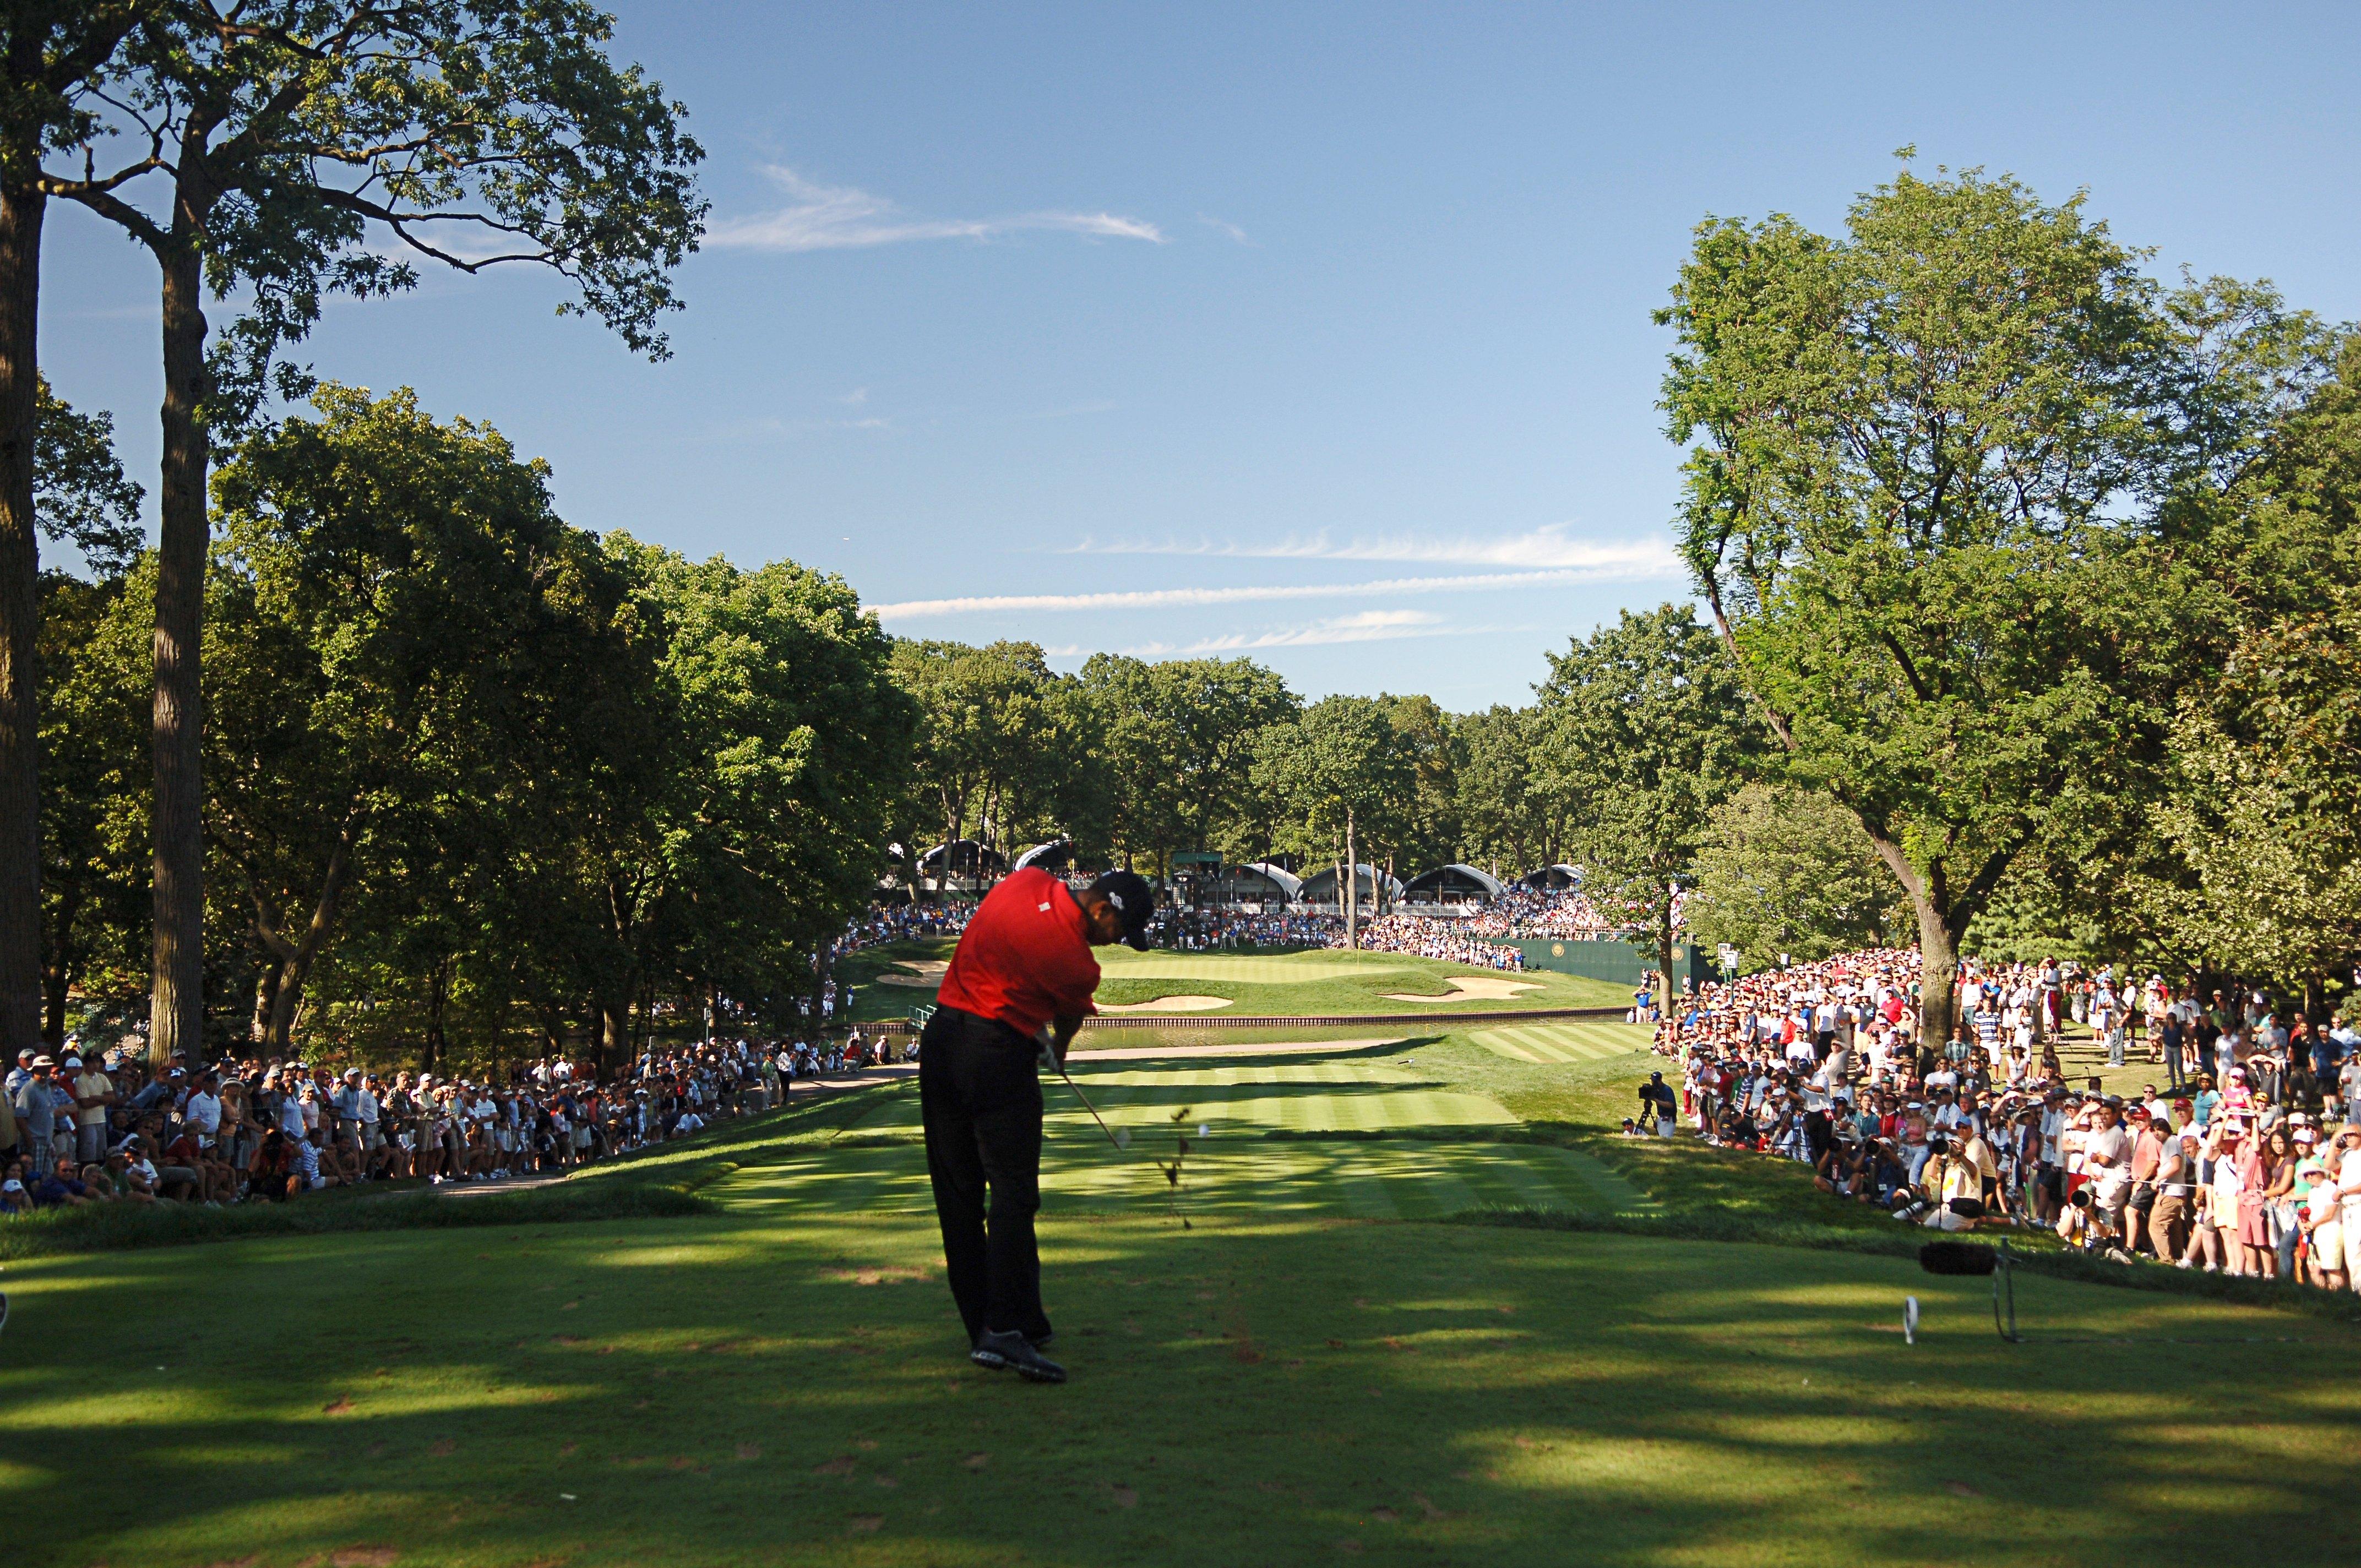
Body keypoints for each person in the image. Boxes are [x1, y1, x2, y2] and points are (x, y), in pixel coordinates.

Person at [919, 866, 1154, 1385]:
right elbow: (1068, 1017)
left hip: (940, 1042)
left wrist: (1037, 1035)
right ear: (1101, 910)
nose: (1116, 943)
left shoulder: (1025, 880)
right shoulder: (1077, 965)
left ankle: (1005, 1323)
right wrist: (1058, 1050)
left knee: (958, 1194)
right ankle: (1003, 1328)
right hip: (996, 1057)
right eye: (1119, 931)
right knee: (1014, 1193)